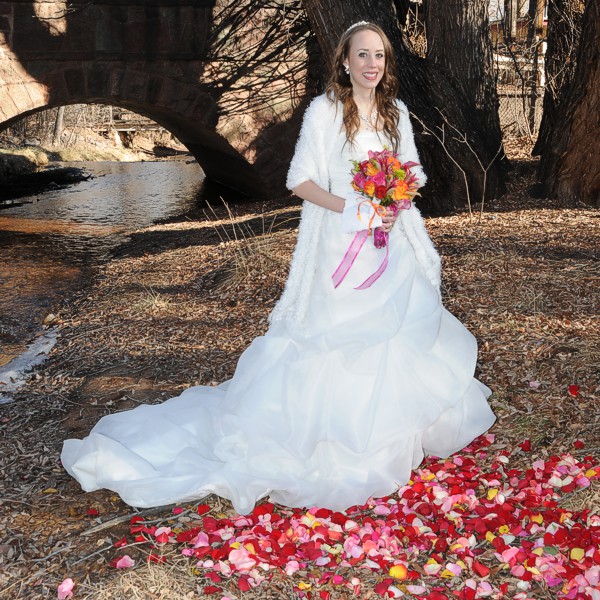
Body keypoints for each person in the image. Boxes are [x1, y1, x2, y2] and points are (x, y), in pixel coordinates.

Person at [61, 22, 495, 515]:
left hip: (392, 242)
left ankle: (392, 434)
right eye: (363, 55)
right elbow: (300, 181)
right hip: (340, 242)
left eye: (380, 56)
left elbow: (411, 169)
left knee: (399, 330)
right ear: (345, 62)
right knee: (336, 341)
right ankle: (333, 441)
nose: (372, 64)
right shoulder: (326, 111)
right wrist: (355, 207)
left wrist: (397, 196)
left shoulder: (396, 111)